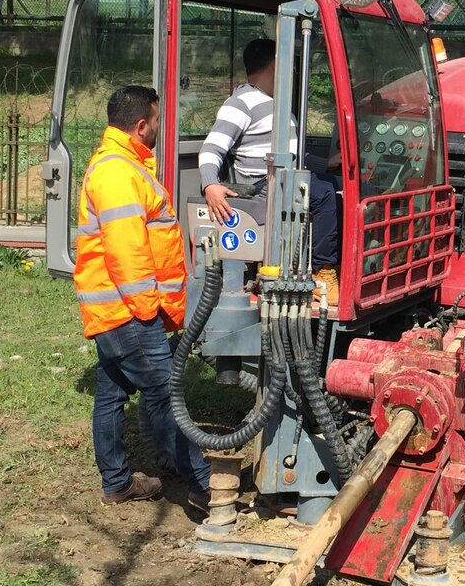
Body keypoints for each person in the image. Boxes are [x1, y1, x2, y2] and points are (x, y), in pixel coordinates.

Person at [75, 85, 211, 510]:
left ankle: (116, 483)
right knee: (164, 394)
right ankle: (205, 488)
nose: (157, 128)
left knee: (111, 392)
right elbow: (126, 250)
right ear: (140, 125)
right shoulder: (118, 173)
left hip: (113, 309)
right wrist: (147, 310)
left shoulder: (121, 166)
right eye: (156, 121)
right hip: (128, 312)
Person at [198, 38, 341, 303]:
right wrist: (210, 184)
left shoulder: (276, 104)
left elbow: (293, 155)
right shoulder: (241, 103)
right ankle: (323, 274)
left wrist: (328, 164)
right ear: (277, 64)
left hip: (286, 179)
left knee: (340, 187)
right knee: (324, 195)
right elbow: (211, 148)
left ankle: (332, 267)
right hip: (263, 186)